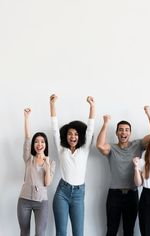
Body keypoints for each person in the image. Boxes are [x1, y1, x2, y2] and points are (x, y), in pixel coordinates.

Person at [96, 106, 150, 236]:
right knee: (111, 229)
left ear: (130, 133)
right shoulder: (112, 148)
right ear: (116, 133)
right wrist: (105, 124)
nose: (123, 133)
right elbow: (100, 146)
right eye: (120, 130)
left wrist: (149, 114)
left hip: (132, 194)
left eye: (126, 130)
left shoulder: (138, 145)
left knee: (129, 230)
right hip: (114, 194)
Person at [50, 94, 95, 236]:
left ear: (79, 136)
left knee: (78, 232)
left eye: (75, 134)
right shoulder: (61, 149)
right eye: (70, 134)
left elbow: (90, 131)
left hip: (78, 193)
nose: (73, 137)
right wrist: (52, 105)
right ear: (66, 136)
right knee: (61, 232)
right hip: (62, 192)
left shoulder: (84, 149)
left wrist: (92, 107)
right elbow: (55, 131)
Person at [17, 108, 55, 236]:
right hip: (24, 200)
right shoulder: (28, 159)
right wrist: (26, 117)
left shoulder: (51, 163)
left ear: (45, 144)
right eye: (36, 142)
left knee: (40, 233)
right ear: (34, 145)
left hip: (41, 202)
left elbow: (47, 183)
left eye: (42, 142)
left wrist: (47, 164)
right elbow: (27, 137)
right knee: (24, 232)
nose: (39, 144)